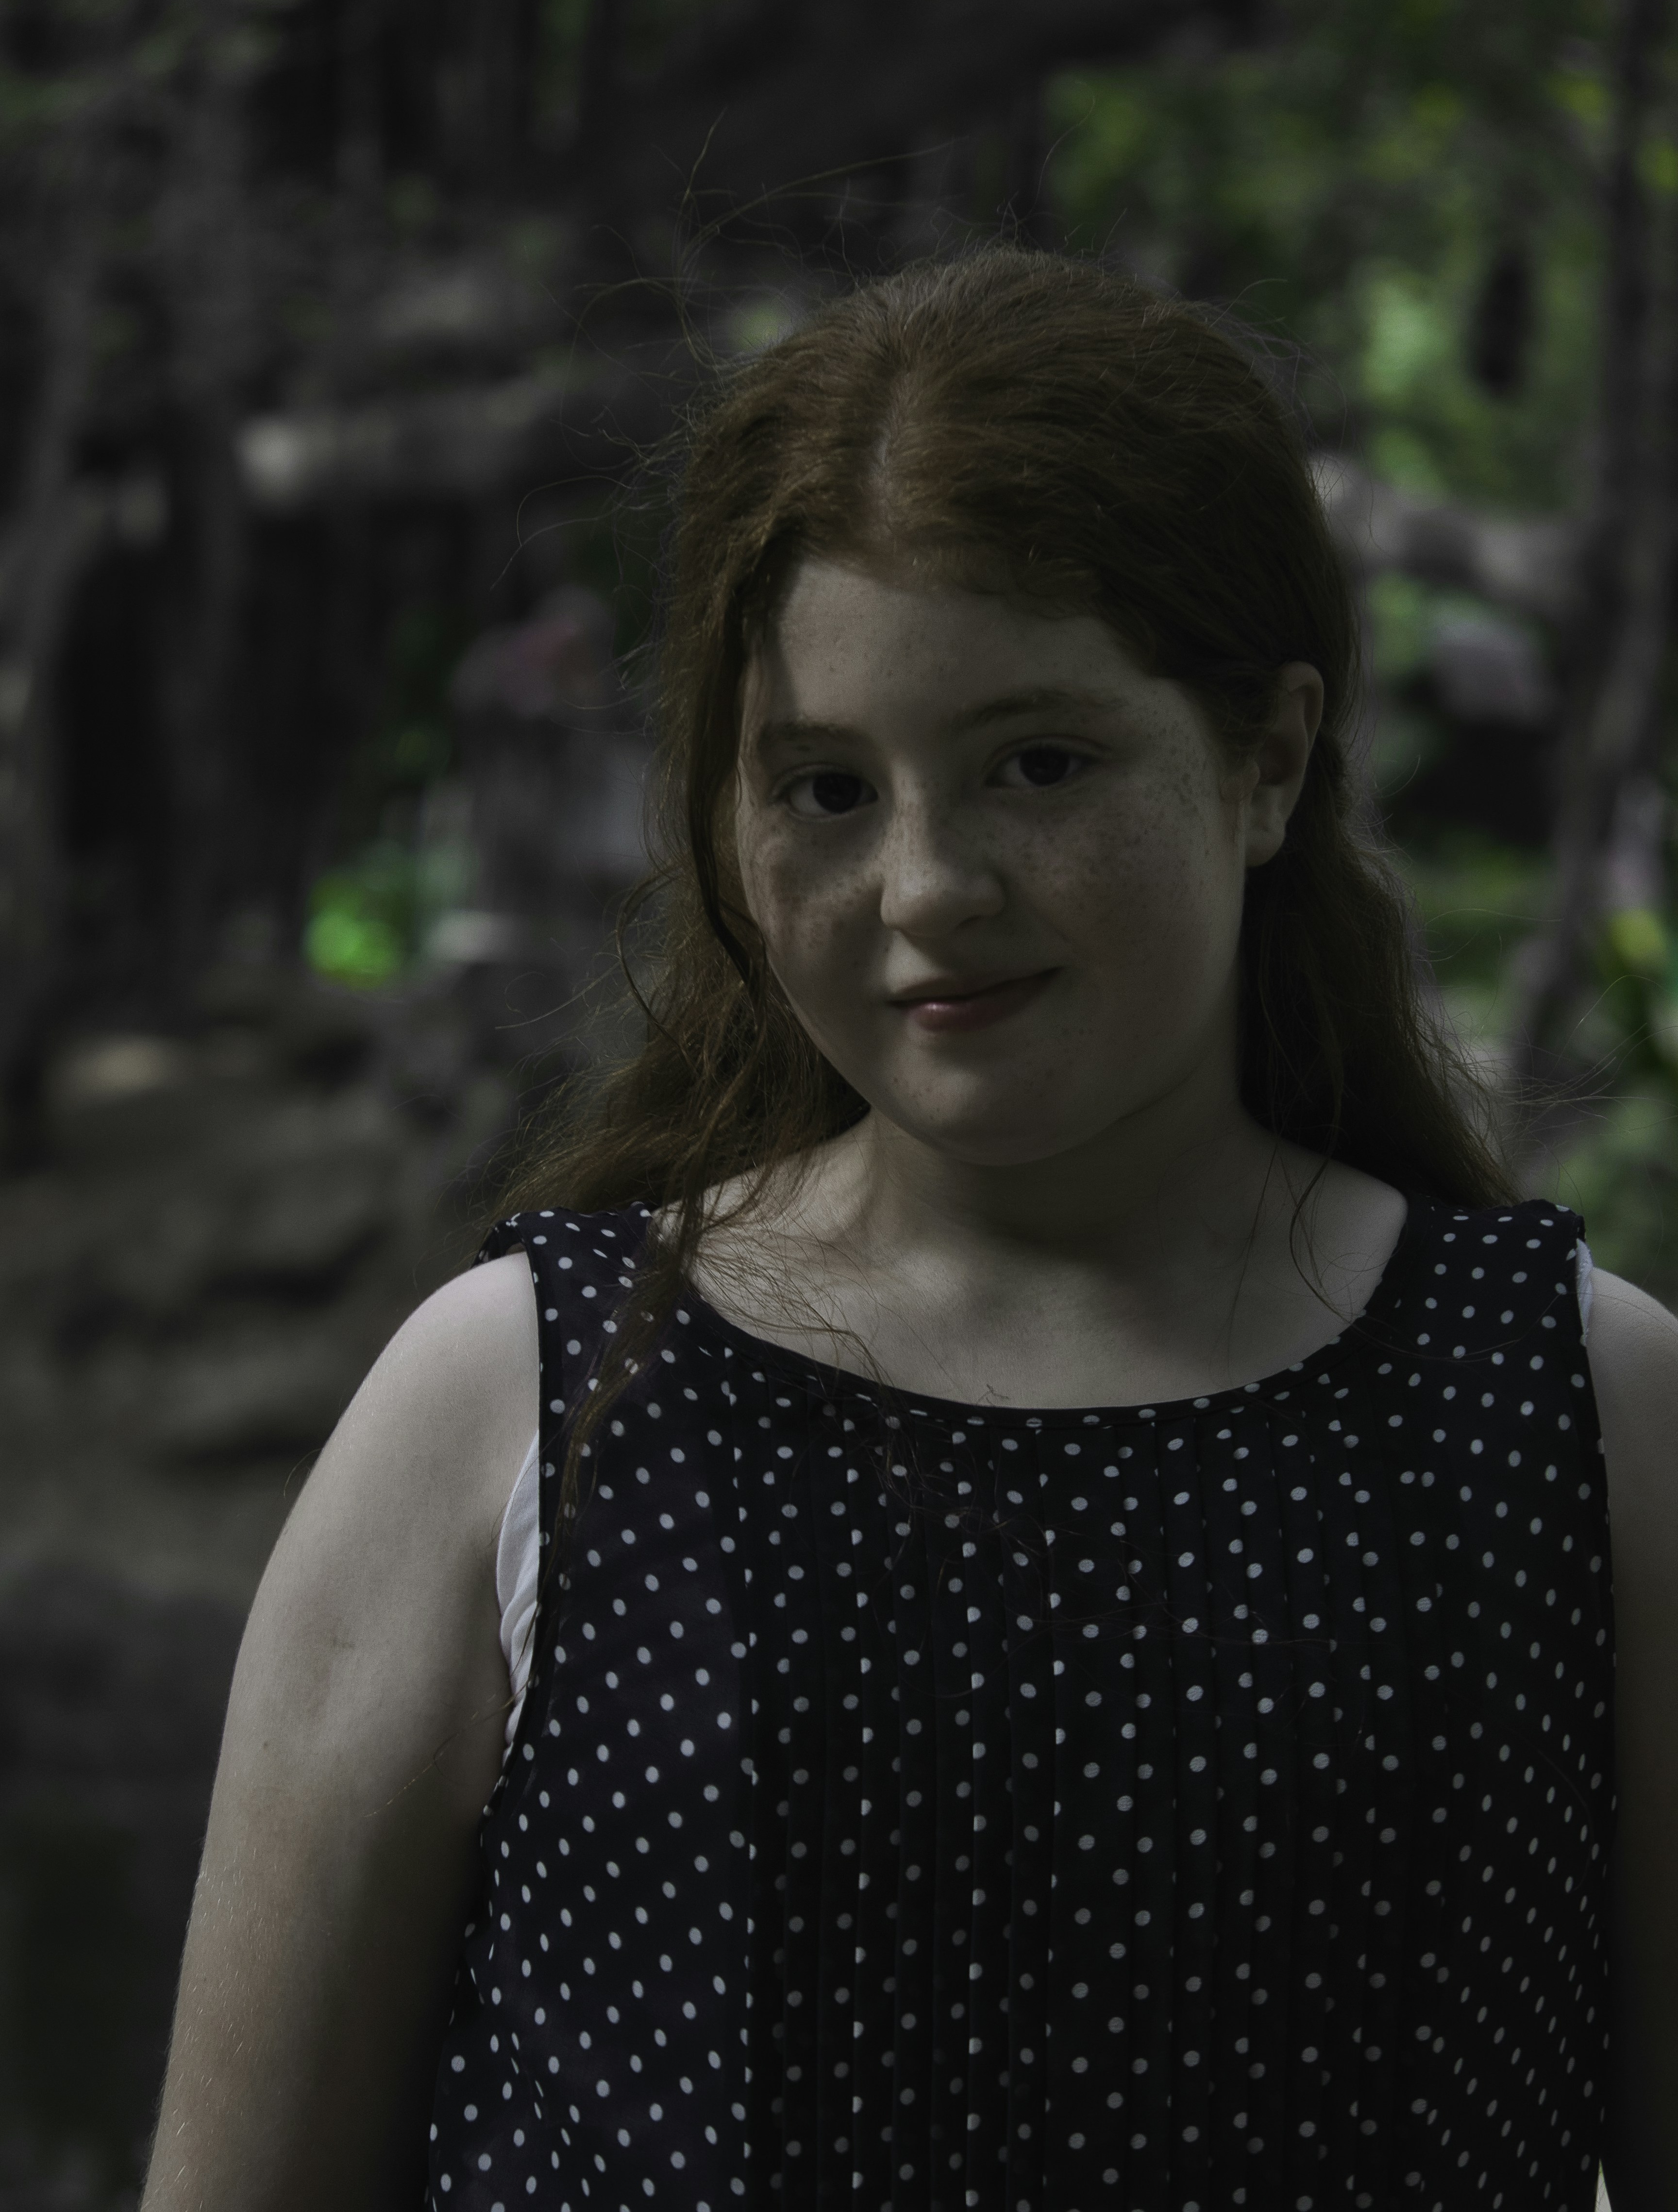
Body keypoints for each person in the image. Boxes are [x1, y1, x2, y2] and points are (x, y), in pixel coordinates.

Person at [140, 249, 1678, 2212]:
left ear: (1270, 757)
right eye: (827, 789)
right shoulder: (516, 1406)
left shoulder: (1582, 1422)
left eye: (1039, 762)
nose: (929, 887)